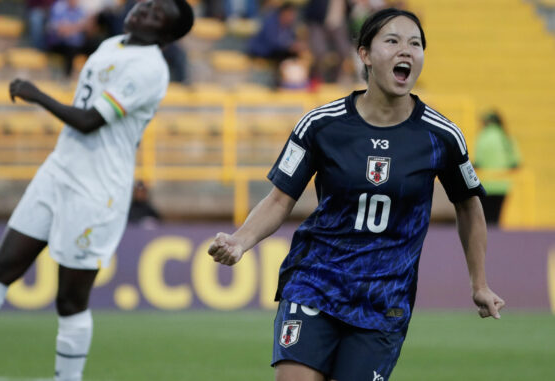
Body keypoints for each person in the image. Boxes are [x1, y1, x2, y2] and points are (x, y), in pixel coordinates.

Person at [0, 1, 194, 380]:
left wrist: (38, 95)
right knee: (1, 267)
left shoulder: (149, 69)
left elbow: (89, 120)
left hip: (97, 190)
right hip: (58, 171)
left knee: (69, 298)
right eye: (147, 4)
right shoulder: (112, 44)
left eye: (156, 15)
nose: (144, 11)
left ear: (166, 35)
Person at [208, 8, 504, 381]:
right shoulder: (322, 124)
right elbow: (280, 198)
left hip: (384, 298)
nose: (406, 52)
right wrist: (240, 241)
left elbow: (469, 206)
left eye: (416, 44)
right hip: (316, 280)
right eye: (393, 41)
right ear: (364, 54)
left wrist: (479, 283)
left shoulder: (441, 136)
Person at [473, 111, 521, 225]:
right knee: (496, 219)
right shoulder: (506, 138)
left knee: (485, 221)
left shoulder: (483, 137)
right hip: (503, 185)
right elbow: (516, 163)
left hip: (486, 184)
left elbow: (477, 162)